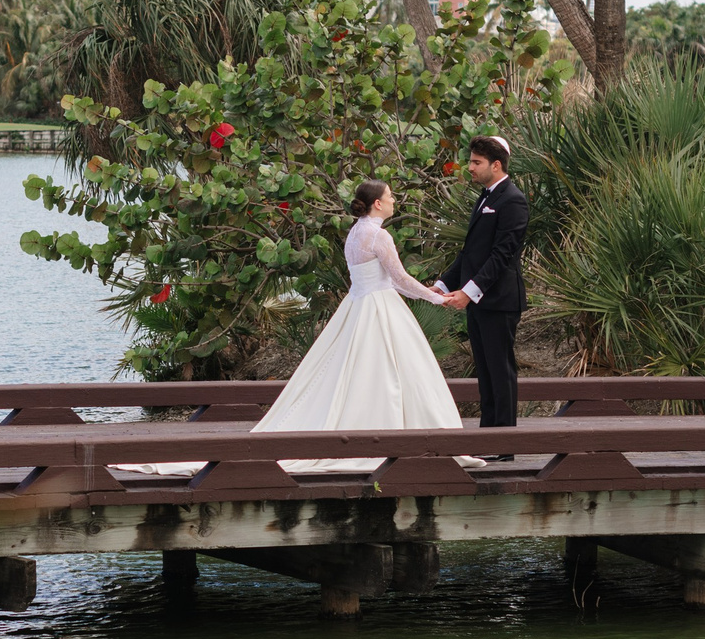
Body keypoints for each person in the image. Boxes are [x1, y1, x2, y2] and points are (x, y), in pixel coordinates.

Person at [121, 179, 468, 478]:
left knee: (360, 373)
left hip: (359, 306)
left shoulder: (354, 233)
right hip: (380, 307)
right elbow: (399, 279)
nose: (394, 200)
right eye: (390, 195)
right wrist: (438, 298)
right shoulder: (379, 236)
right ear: (377, 203)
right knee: (389, 371)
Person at [433, 135, 527, 454]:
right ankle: (488, 438)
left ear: (495, 165)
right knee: (485, 372)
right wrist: (444, 284)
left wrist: (468, 293)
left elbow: (501, 256)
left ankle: (505, 444)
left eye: (476, 162)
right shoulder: (485, 197)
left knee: (500, 371)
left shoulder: (512, 200)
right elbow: (471, 253)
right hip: (481, 302)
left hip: (499, 302)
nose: (469, 167)